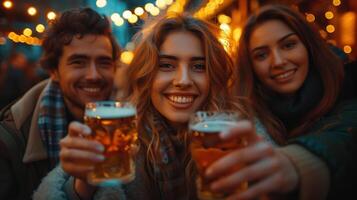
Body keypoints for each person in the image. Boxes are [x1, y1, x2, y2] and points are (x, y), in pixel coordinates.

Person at [33, 13, 269, 200]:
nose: (183, 80)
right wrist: (84, 184)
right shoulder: (117, 138)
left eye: (199, 67)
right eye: (166, 65)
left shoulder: (240, 137)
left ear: (213, 76)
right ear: (147, 75)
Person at [205, 4, 357, 200]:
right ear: (251, 67)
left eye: (288, 45)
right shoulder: (248, 114)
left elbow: (346, 135)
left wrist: (296, 163)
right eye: (261, 55)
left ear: (309, 47)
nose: (277, 61)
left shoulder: (347, 86)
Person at [0, 7, 120, 200]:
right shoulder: (10, 141)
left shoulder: (131, 126)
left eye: (104, 62)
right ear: (54, 71)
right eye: (78, 62)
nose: (94, 75)